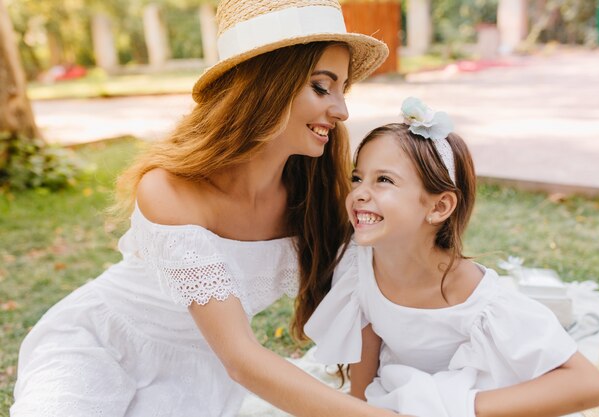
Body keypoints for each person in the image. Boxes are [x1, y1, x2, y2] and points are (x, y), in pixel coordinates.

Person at [10, 1, 409, 416]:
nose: (341, 110)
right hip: (97, 346)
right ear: (265, 86)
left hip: (200, 375)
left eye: (343, 89)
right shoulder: (169, 190)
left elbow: (365, 305)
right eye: (322, 87)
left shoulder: (320, 198)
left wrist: (367, 402)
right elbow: (241, 358)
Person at [305, 97, 599, 417]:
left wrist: (455, 408)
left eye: (384, 180)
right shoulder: (360, 265)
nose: (360, 193)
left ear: (438, 207)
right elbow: (364, 371)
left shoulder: (480, 302)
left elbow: (590, 385)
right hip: (403, 398)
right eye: (358, 178)